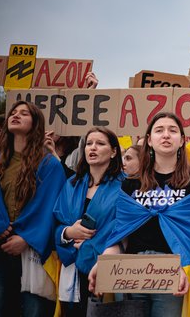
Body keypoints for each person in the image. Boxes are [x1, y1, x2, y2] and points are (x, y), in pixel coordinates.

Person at [88, 112, 190, 317]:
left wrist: (184, 266)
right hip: (130, 272)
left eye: (173, 131)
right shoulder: (130, 184)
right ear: (149, 140)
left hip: (174, 274)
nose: (166, 135)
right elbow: (121, 237)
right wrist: (103, 263)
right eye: (159, 130)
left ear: (182, 140)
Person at [0, 101, 67, 317]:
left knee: (32, 310)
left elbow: (49, 207)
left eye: (24, 113)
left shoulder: (49, 164)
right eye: (13, 113)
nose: (15, 115)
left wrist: (26, 238)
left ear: (36, 124)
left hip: (31, 250)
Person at [53, 127, 124, 316]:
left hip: (105, 265)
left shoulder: (126, 186)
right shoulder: (72, 183)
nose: (93, 148)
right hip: (72, 268)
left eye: (100, 144)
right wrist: (68, 232)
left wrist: (91, 244)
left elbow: (123, 228)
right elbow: (57, 222)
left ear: (114, 151)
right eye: (89, 143)